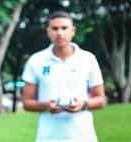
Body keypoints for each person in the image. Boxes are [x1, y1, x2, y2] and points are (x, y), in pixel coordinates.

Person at [21, 11, 106, 142]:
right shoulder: (36, 60)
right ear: (48, 31)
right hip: (48, 137)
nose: (59, 33)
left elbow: (100, 100)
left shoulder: (88, 59)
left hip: (83, 136)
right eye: (55, 28)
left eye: (64, 28)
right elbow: (27, 103)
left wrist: (83, 105)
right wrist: (46, 106)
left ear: (72, 30)